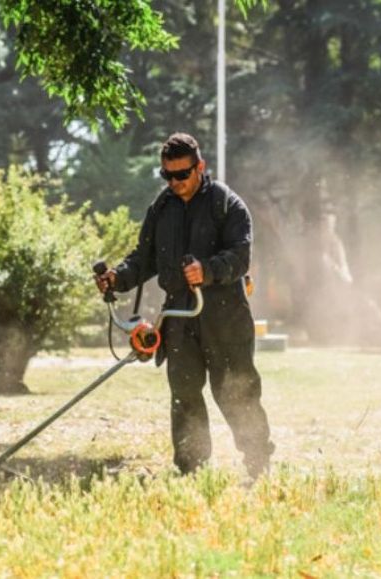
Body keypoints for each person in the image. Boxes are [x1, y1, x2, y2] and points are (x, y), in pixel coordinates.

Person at [95, 132, 275, 478]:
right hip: (179, 315)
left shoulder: (227, 204)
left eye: (182, 174)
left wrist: (206, 270)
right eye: (168, 175)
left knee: (235, 391)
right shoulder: (161, 209)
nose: (175, 182)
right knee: (184, 394)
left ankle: (257, 462)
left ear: (200, 167)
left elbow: (241, 256)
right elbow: (143, 259)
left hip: (224, 314)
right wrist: (118, 278)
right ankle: (192, 468)